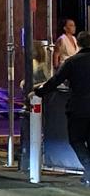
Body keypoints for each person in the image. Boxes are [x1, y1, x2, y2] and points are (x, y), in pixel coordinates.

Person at [35, 31, 90, 187]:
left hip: (78, 108)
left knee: (76, 140)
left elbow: (55, 81)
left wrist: (38, 92)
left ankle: (89, 169)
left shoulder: (72, 62)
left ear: (78, 44)